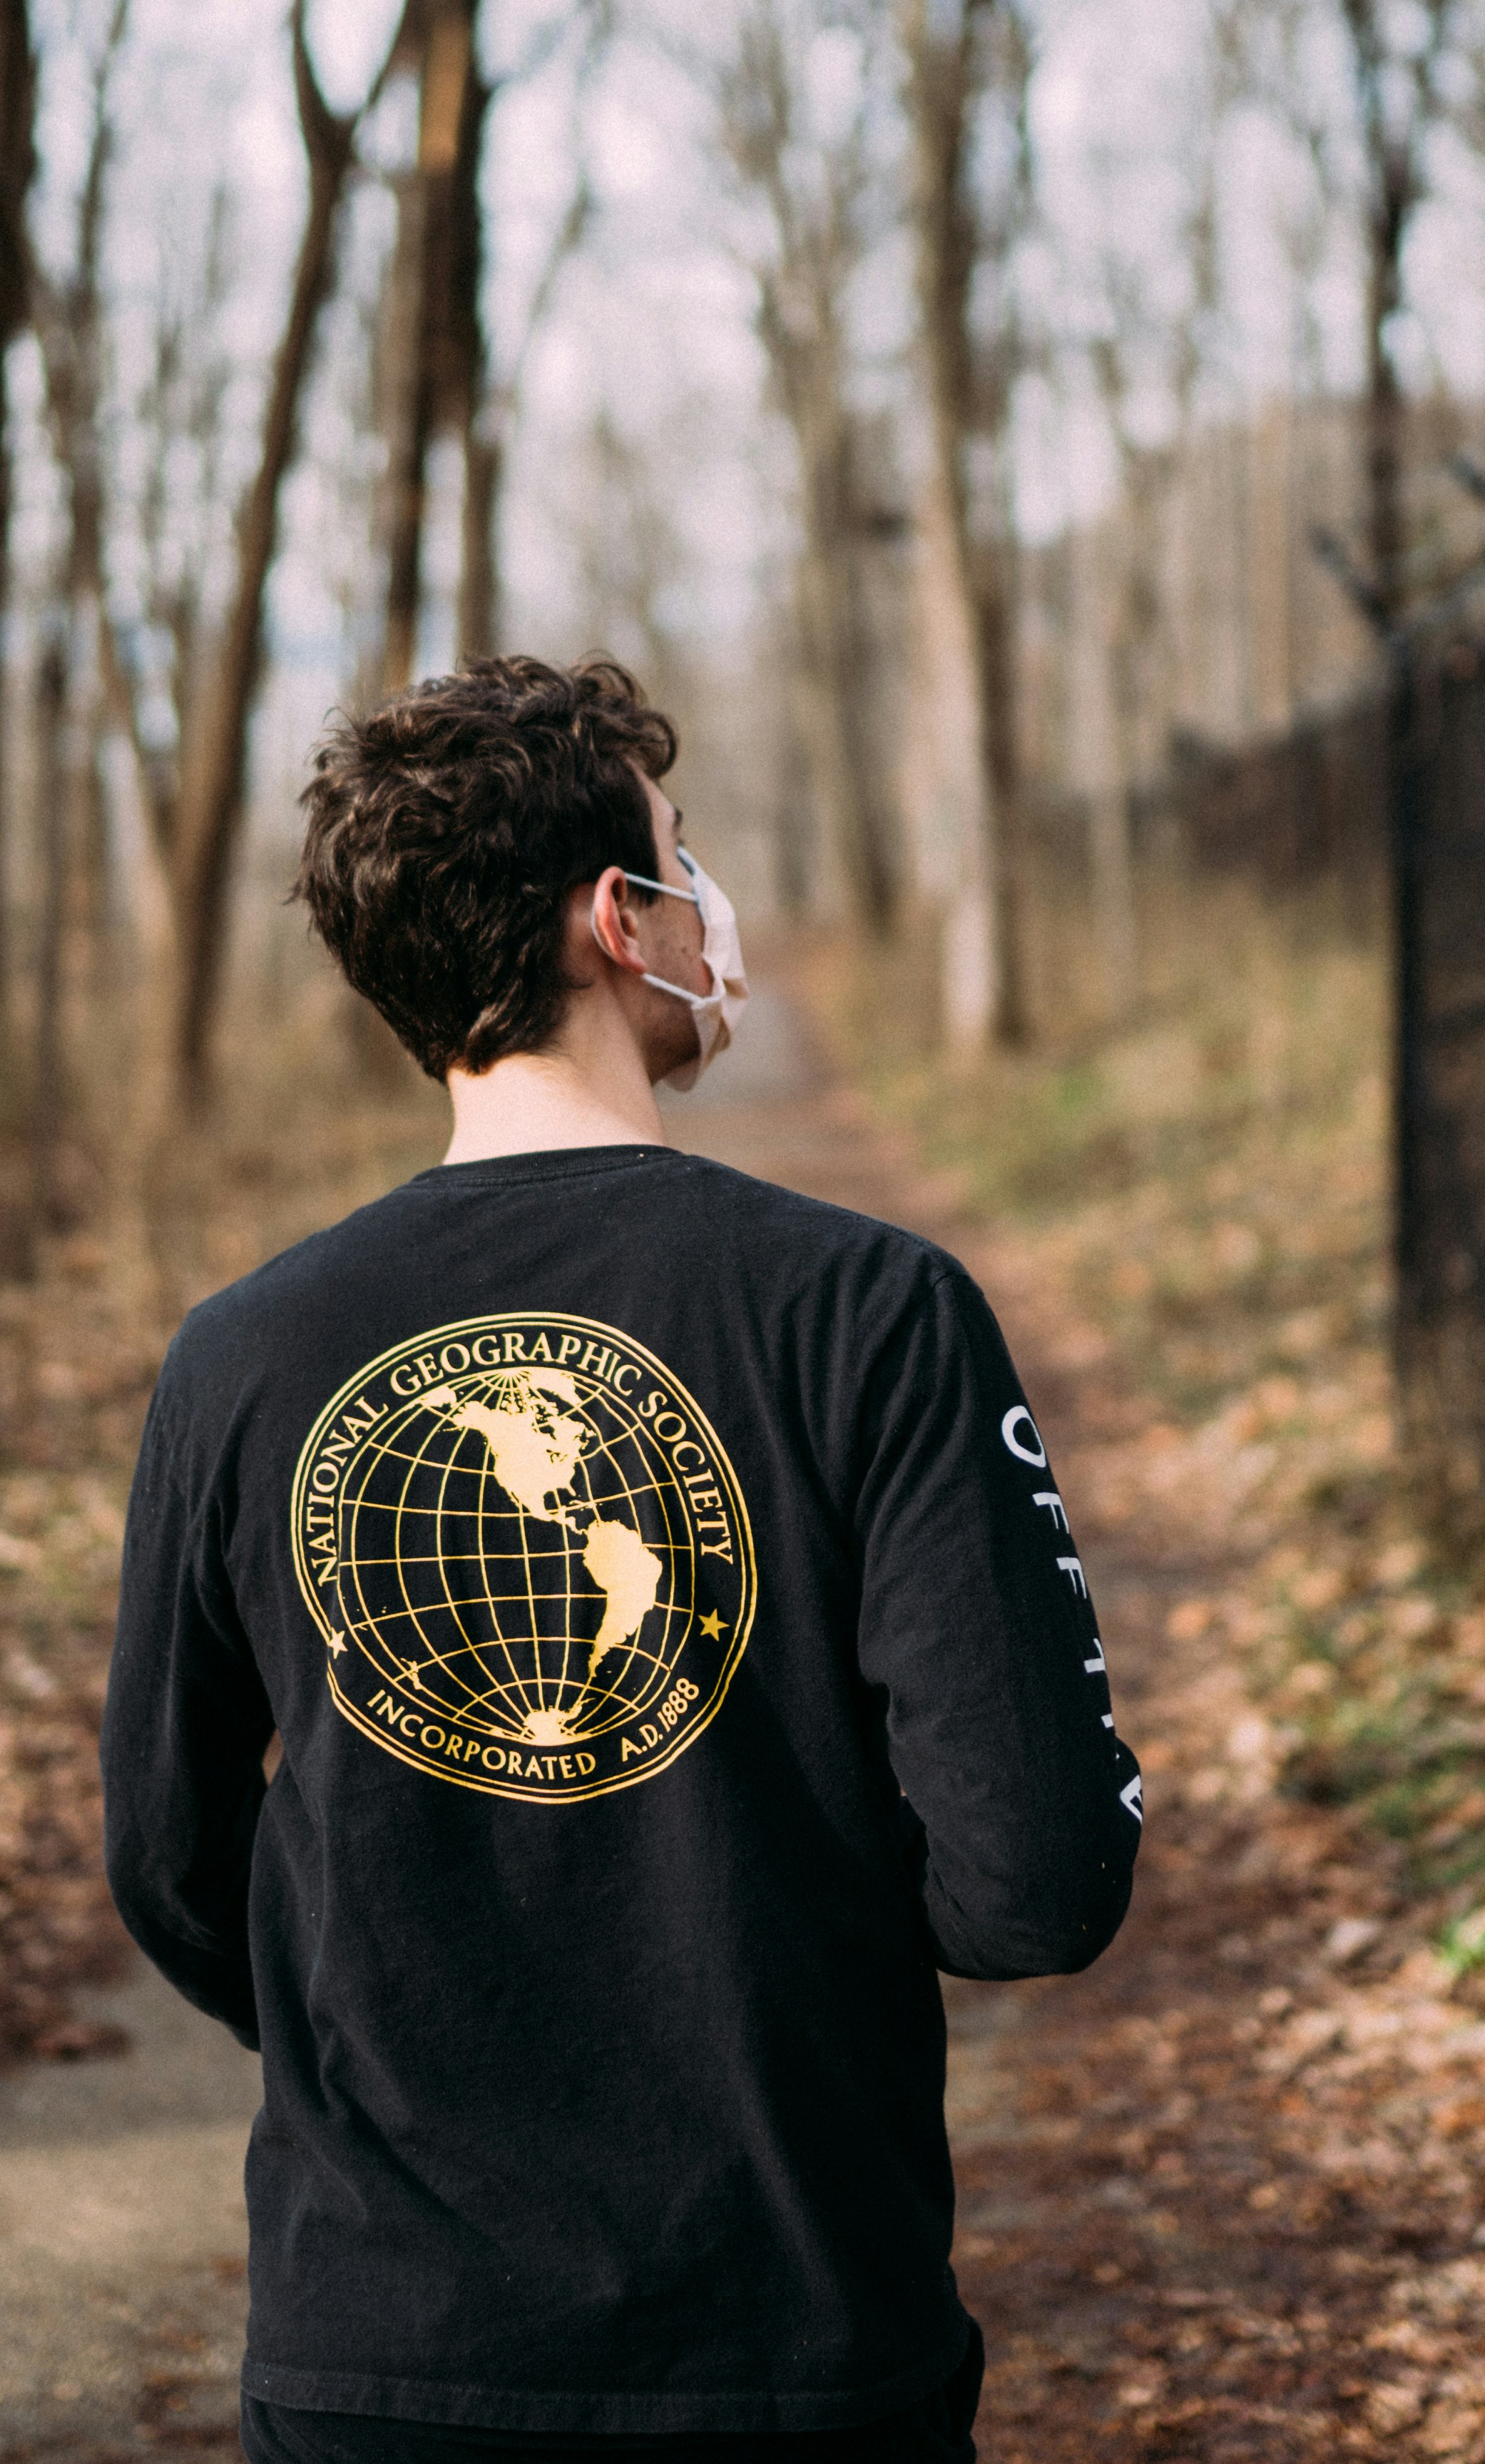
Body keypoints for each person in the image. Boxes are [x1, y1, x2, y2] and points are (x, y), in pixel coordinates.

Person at [103, 655, 1143, 2463]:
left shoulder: (240, 1357)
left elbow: (171, 1862)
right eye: (683, 858)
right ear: (616, 920)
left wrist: (408, 2029)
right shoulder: (870, 1315)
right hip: (799, 2347)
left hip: (379, 2366)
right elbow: (1036, 1881)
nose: (702, 902)